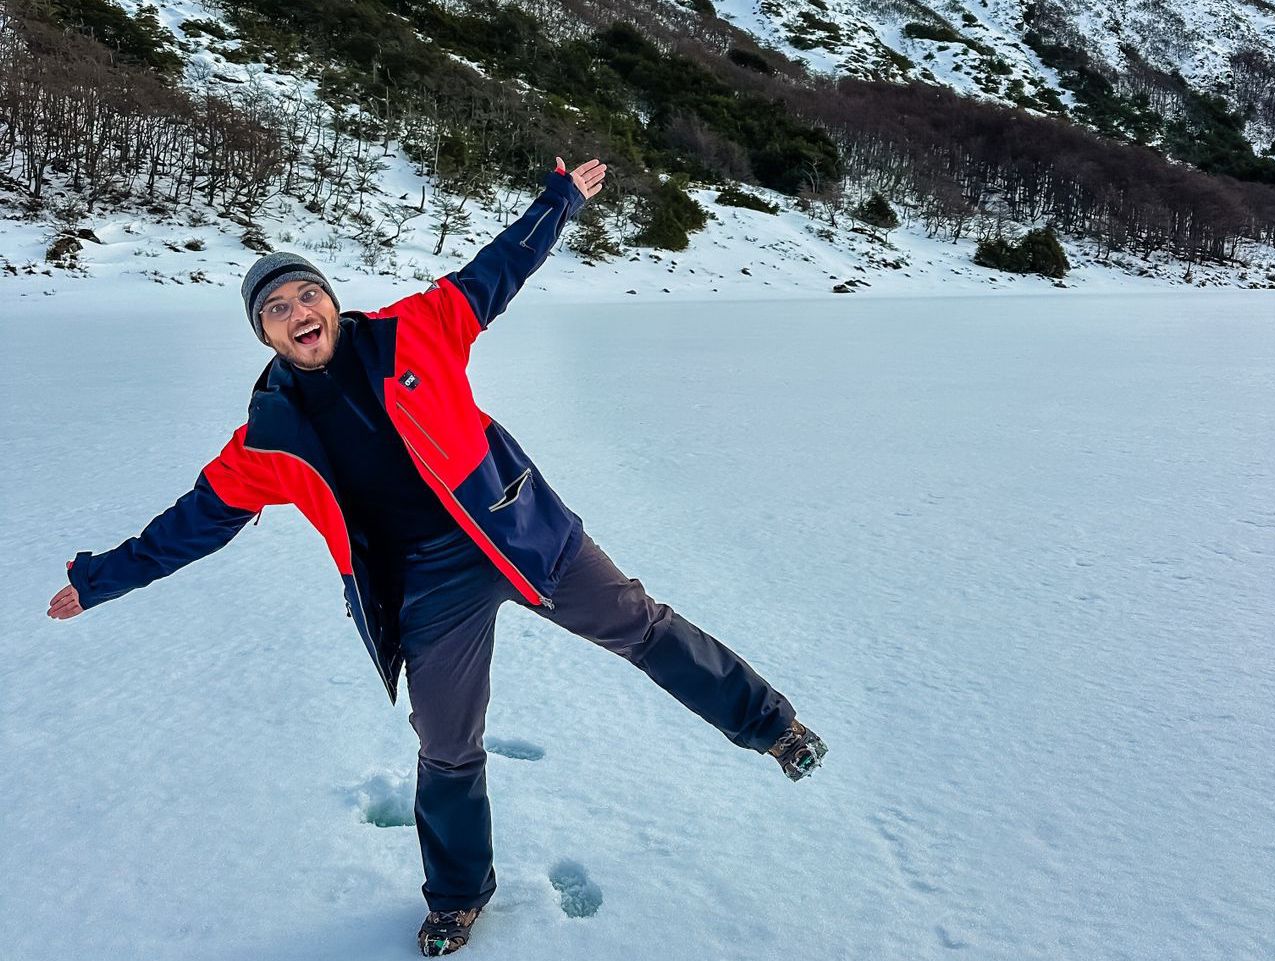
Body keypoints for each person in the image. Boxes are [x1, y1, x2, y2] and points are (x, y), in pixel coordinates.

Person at [46, 156, 827, 956]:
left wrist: (558, 200)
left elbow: (500, 268)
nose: (298, 311)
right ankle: (457, 894)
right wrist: (99, 580)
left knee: (642, 625)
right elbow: (188, 526)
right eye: (277, 308)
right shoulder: (266, 440)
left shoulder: (415, 327)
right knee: (446, 744)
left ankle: (774, 725)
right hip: (423, 585)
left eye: (306, 293)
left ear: (330, 299)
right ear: (267, 334)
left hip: (518, 529)